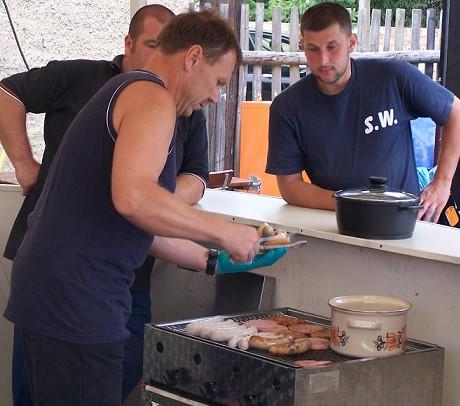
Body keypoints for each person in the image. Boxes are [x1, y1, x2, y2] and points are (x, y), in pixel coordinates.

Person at [2, 8, 286, 406]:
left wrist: (212, 260)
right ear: (193, 57)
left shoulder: (128, 91)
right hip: (78, 301)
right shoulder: (152, 98)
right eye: (218, 82)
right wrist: (224, 232)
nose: (214, 97)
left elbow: (135, 219)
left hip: (53, 295)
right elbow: (134, 198)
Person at [266, 2, 460, 224]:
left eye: (332, 47)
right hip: (336, 224)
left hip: (407, 222)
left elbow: (455, 112)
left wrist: (442, 183)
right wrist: (353, 204)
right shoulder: (287, 107)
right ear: (302, 46)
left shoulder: (392, 77)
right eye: (313, 49)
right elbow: (290, 186)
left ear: (351, 43)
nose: (323, 60)